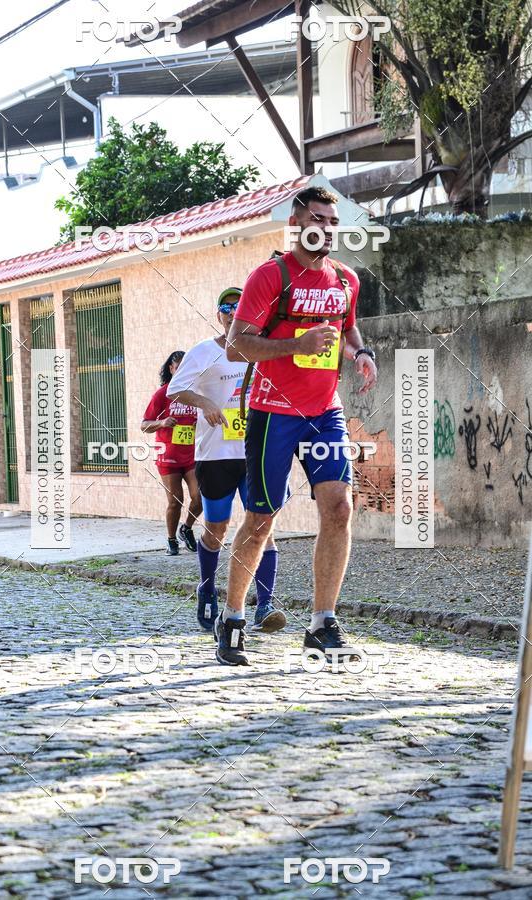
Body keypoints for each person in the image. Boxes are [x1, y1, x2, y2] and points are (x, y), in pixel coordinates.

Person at [220, 185, 378, 666]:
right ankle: (232, 618)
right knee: (262, 518)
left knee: (339, 508)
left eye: (334, 222)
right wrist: (296, 346)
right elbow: (236, 346)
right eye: (319, 219)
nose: (327, 229)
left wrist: (360, 352)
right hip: (272, 412)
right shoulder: (270, 276)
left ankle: (322, 622)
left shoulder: (346, 279)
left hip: (324, 412)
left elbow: (345, 326)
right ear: (297, 222)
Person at [167, 288, 285, 643]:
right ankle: (206, 588)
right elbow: (176, 389)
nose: (234, 312)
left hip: (256, 452)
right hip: (215, 454)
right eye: (226, 307)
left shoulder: (264, 349)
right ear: (218, 314)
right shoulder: (203, 351)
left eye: (240, 306)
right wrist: (204, 403)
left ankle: (264, 604)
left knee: (262, 525)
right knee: (217, 526)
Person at [141, 351, 202, 555]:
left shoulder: (195, 393)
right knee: (175, 501)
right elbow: (144, 425)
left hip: (192, 455)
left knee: (200, 497)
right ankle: (171, 539)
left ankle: (186, 528)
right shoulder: (162, 394)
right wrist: (162, 422)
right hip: (168, 456)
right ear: (171, 369)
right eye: (178, 368)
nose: (183, 372)